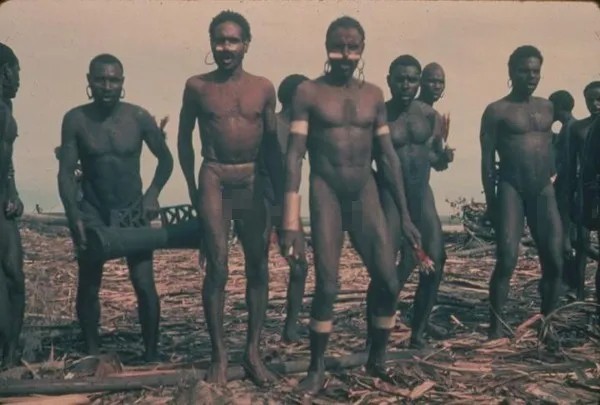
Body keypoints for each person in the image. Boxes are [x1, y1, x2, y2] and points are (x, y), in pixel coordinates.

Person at [279, 16, 421, 395]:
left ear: (362, 49)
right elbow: (294, 156)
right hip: (326, 192)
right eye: (338, 47)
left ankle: (377, 359)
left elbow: (387, 157)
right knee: (327, 284)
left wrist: (406, 216)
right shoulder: (308, 93)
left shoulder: (373, 95)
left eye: (352, 47)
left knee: (388, 281)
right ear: (327, 47)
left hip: (363, 193)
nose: (345, 54)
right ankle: (316, 368)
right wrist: (290, 218)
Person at [177, 10, 284, 387]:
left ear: (246, 44)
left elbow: (271, 146)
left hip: (252, 178)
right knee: (219, 267)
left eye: (233, 40)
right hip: (215, 176)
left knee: (258, 266)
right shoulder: (197, 86)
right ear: (211, 43)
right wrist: (192, 188)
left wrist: (278, 199)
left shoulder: (263, 87)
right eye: (219, 40)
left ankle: (252, 352)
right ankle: (219, 355)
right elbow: (183, 139)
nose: (226, 47)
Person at [57, 53, 174, 362]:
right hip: (93, 210)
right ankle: (93, 352)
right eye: (100, 80)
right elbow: (66, 173)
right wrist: (74, 215)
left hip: (133, 211)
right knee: (89, 281)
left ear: (122, 83)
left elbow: (166, 160)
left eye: (113, 80)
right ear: (89, 81)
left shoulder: (138, 117)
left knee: (144, 282)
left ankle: (151, 353)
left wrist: (152, 195)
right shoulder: (75, 120)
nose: (107, 86)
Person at [480, 45, 562, 344]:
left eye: (535, 71)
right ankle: (496, 326)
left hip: (542, 189)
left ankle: (547, 322)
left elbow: (566, 139)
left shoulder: (548, 107)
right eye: (524, 71)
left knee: (555, 259)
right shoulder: (496, 111)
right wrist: (492, 203)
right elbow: (486, 160)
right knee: (507, 258)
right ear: (511, 72)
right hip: (511, 188)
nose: (531, 76)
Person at [376, 55, 453, 349]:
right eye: (400, 79)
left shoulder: (429, 116)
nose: (405, 85)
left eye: (411, 79)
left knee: (436, 260)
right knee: (388, 269)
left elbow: (432, 158)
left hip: (421, 195)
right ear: (389, 81)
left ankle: (418, 333)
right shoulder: (379, 116)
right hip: (391, 198)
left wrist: (443, 158)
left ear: (418, 82)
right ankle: (376, 337)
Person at [274, 74, 310, 343]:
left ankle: (290, 327)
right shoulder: (271, 124)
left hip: (289, 204)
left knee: (300, 266)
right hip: (262, 201)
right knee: (257, 269)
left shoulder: (305, 131)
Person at [0, 42, 24, 368]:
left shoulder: (6, 107)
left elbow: (7, 161)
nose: (19, 80)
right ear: (6, 71)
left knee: (13, 274)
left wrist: (14, 192)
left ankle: (11, 354)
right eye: (17, 72)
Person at [565, 81, 600, 303]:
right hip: (585, 191)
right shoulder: (578, 128)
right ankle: (578, 291)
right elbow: (571, 165)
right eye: (590, 100)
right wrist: (570, 196)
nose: (595, 104)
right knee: (580, 243)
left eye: (599, 99)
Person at [548, 90, 577, 296]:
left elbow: (567, 163)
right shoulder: (568, 128)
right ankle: (570, 283)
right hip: (566, 188)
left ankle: (571, 284)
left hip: (566, 189)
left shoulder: (570, 129)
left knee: (566, 239)